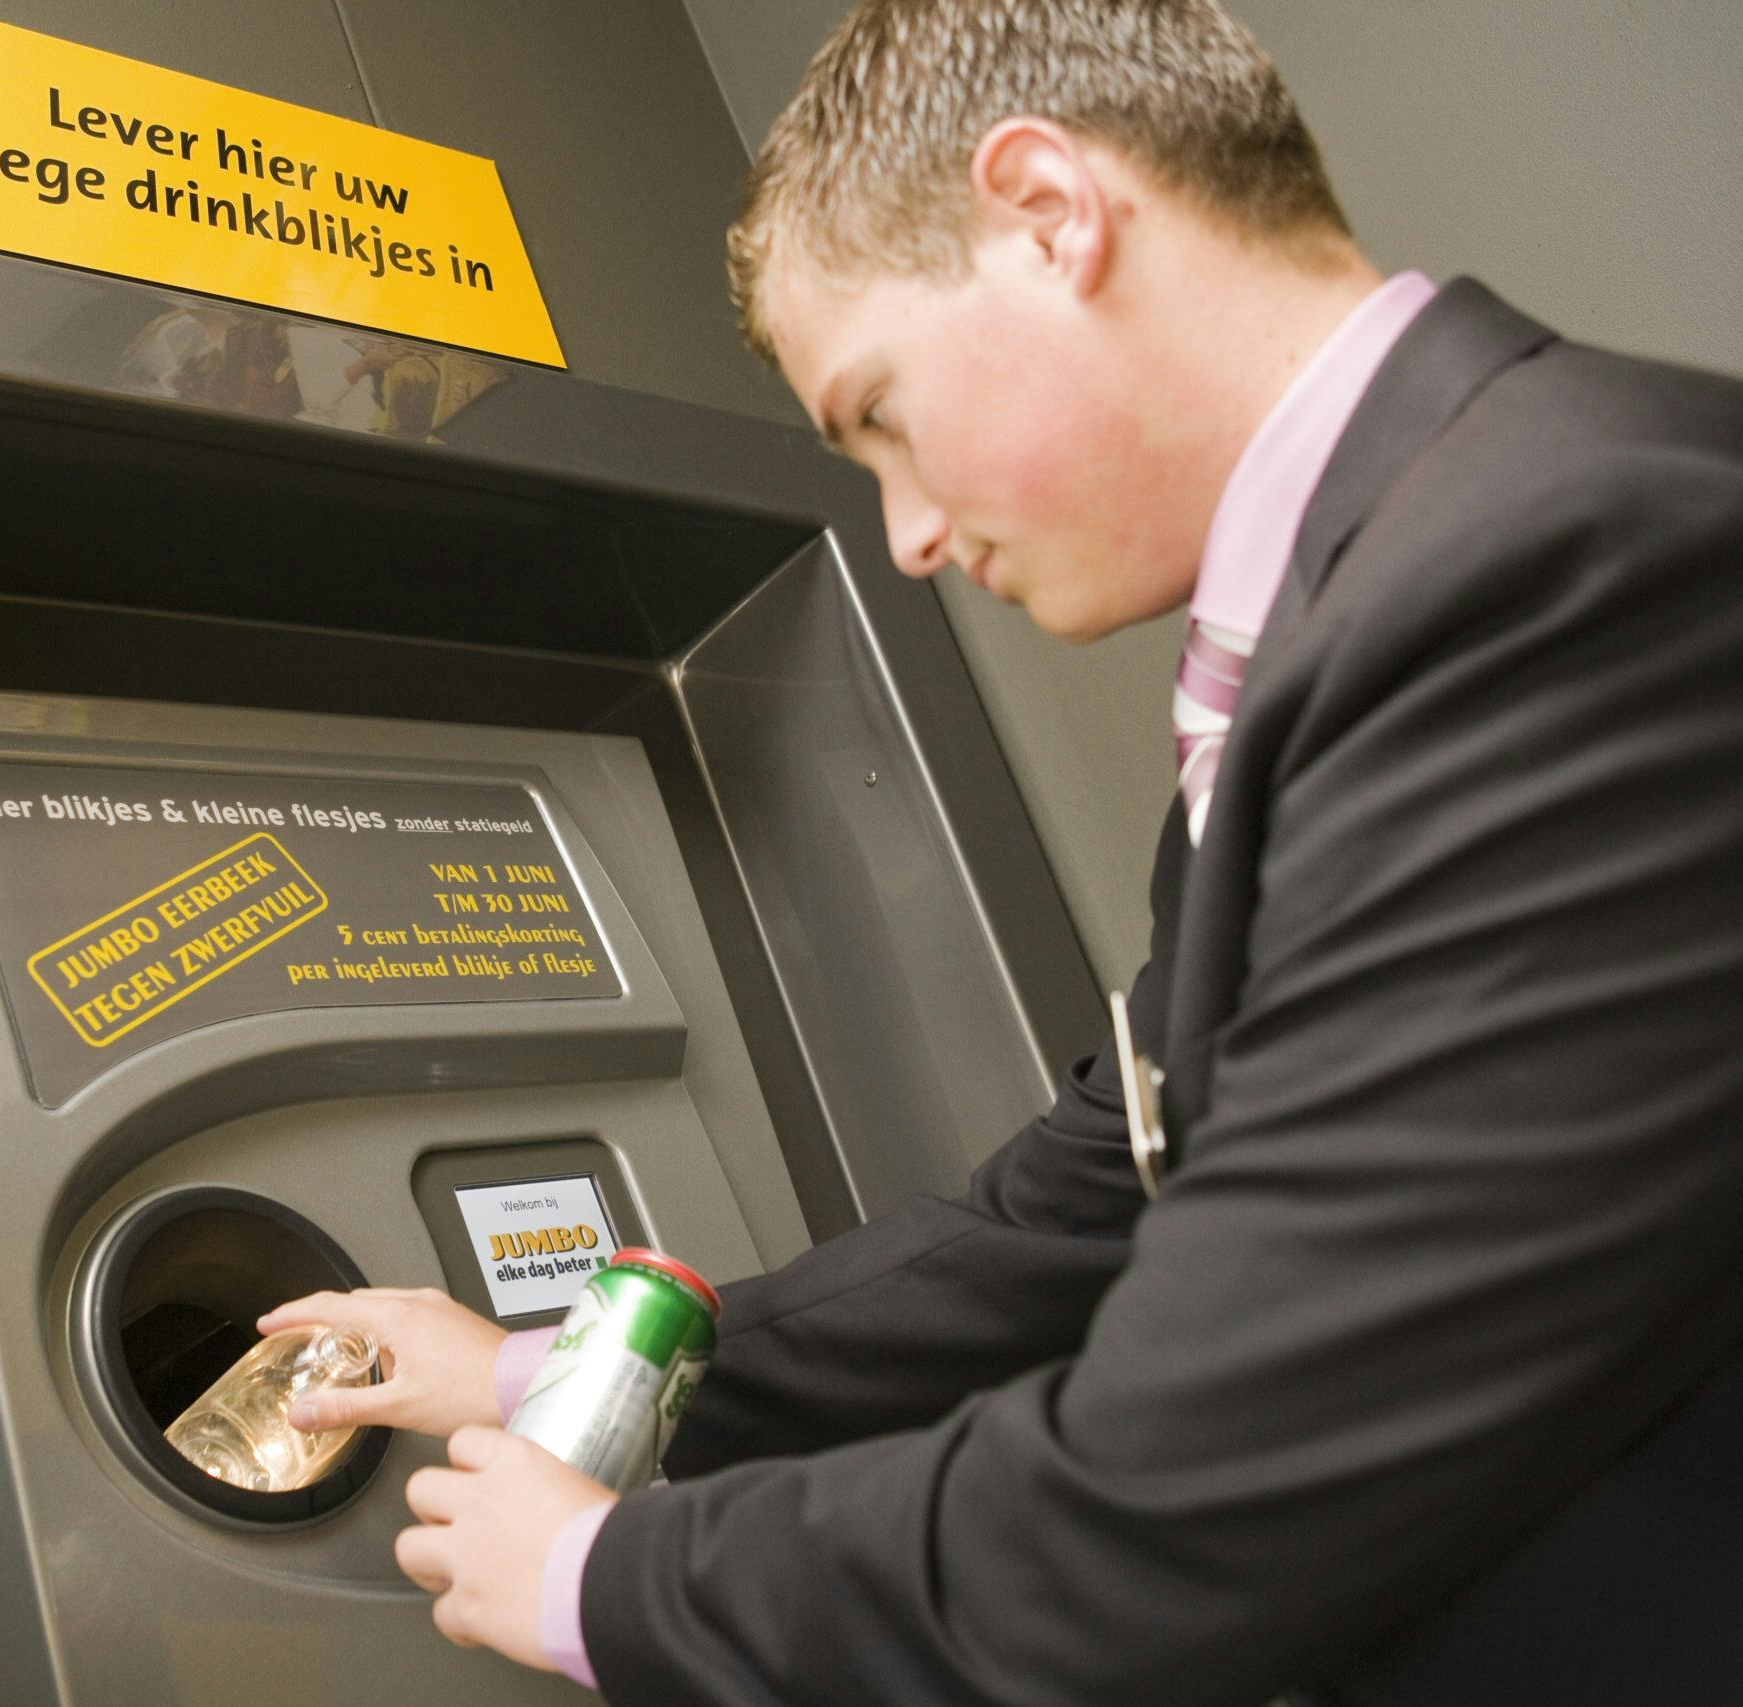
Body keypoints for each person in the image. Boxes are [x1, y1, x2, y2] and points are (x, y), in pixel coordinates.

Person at [263, 1, 1743, 1700]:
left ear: (1049, 213)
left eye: (882, 414)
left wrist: (608, 1579)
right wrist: (568, 1375)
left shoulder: (1569, 568)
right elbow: (1073, 1209)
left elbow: (1194, 1499)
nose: (899, 537)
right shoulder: (1365, 626)